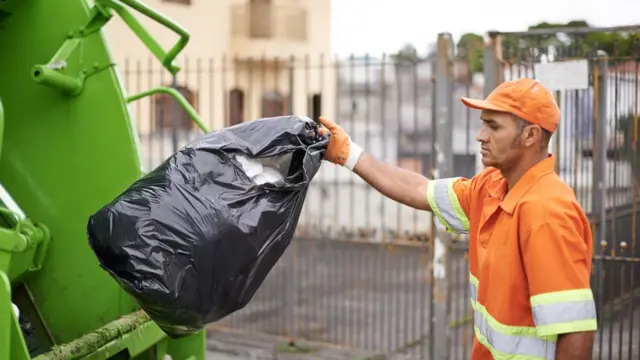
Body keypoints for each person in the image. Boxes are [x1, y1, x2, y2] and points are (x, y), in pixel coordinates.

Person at [317, 77, 598, 360]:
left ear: (531, 135)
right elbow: (419, 189)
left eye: (493, 126)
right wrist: (348, 153)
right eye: (483, 123)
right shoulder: (491, 186)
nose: (480, 135)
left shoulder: (547, 212)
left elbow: (575, 332)